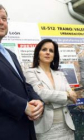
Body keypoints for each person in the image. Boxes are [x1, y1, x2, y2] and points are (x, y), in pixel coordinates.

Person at [0, 4, 44, 140]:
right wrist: (23, 106)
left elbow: (24, 84)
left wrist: (38, 100)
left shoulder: (10, 54)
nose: (1, 22)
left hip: (25, 128)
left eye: (4, 18)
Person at [24, 38, 77, 140]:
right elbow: (41, 94)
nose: (48, 52)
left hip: (66, 126)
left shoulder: (60, 74)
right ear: (38, 53)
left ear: (54, 55)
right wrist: (66, 95)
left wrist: (51, 100)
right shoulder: (30, 72)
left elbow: (74, 97)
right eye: (44, 49)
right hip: (44, 127)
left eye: (51, 51)